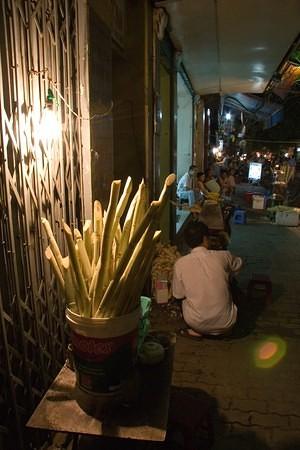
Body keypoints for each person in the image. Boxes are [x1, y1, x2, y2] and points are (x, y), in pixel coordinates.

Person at [172, 221, 242, 338]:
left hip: (196, 323)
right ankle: (222, 327)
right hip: (227, 323)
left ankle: (196, 331)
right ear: (205, 239)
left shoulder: (180, 264)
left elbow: (178, 295)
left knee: (183, 297)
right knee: (232, 283)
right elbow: (239, 264)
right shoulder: (224, 256)